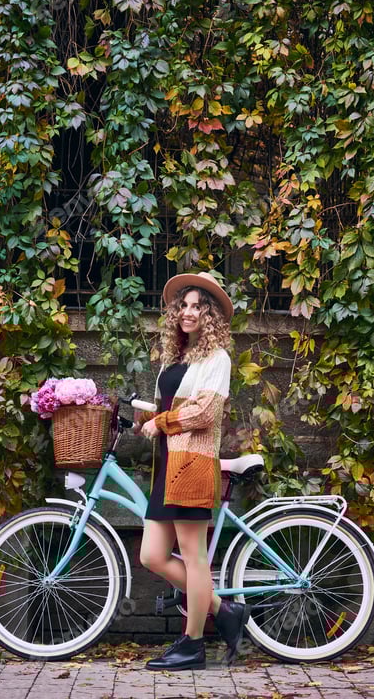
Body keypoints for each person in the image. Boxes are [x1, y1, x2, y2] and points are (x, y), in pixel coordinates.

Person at [138, 271, 250, 671]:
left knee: (194, 558)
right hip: (167, 465)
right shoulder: (177, 357)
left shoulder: (217, 358)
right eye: (183, 305)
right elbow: (172, 404)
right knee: (152, 554)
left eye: (197, 307)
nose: (188, 312)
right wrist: (147, 416)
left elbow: (204, 412)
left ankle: (193, 644)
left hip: (192, 463)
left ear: (210, 315)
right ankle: (226, 611)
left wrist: (162, 422)